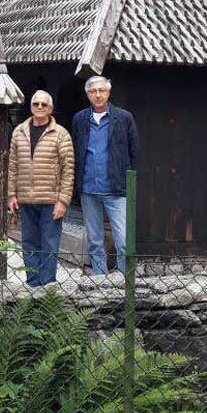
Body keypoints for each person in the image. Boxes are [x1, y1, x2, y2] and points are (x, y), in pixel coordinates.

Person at [72, 76, 139, 276]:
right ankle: (99, 279)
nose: (98, 94)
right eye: (93, 91)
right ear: (87, 94)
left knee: (124, 239)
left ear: (109, 92)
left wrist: (126, 179)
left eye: (102, 90)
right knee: (94, 240)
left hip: (116, 188)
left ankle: (125, 279)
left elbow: (134, 152)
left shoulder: (124, 117)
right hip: (88, 188)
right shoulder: (80, 119)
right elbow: (76, 150)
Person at [8, 91, 74, 287]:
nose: (39, 107)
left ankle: (47, 287)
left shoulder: (61, 134)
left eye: (43, 105)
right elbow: (12, 165)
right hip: (26, 199)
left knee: (49, 244)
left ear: (50, 109)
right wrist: (11, 194)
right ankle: (32, 284)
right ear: (30, 107)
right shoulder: (19, 131)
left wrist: (63, 200)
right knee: (28, 244)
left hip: (50, 200)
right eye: (35, 104)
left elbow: (68, 169)